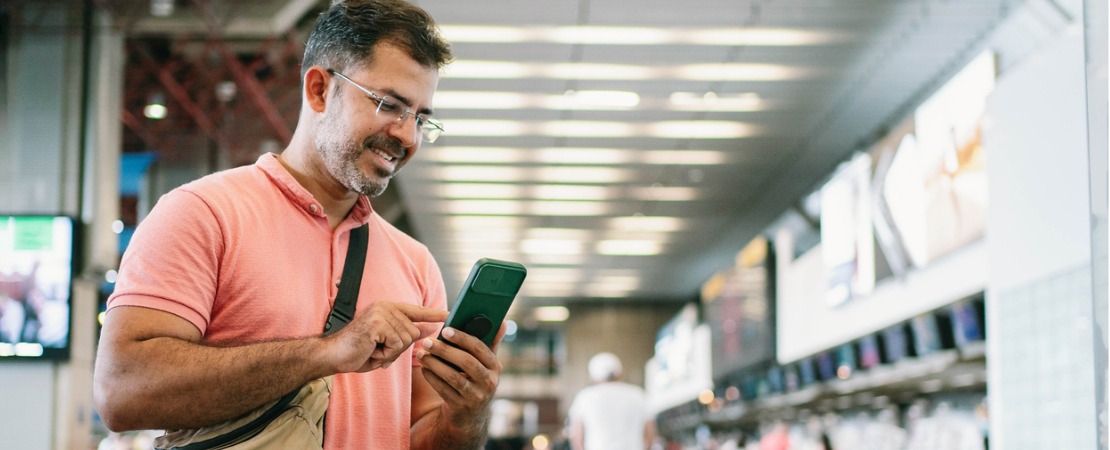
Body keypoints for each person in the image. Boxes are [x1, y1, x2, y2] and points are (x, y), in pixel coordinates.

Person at [93, 1, 505, 448]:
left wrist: (467, 416)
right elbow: (122, 392)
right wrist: (325, 352)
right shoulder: (202, 213)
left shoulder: (415, 264)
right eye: (390, 105)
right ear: (319, 90)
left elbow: (422, 436)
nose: (407, 136)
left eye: (422, 119)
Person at [567, 352, 656, 450]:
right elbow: (650, 434)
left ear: (593, 376)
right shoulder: (638, 394)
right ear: (620, 373)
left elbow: (577, 438)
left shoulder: (585, 397)